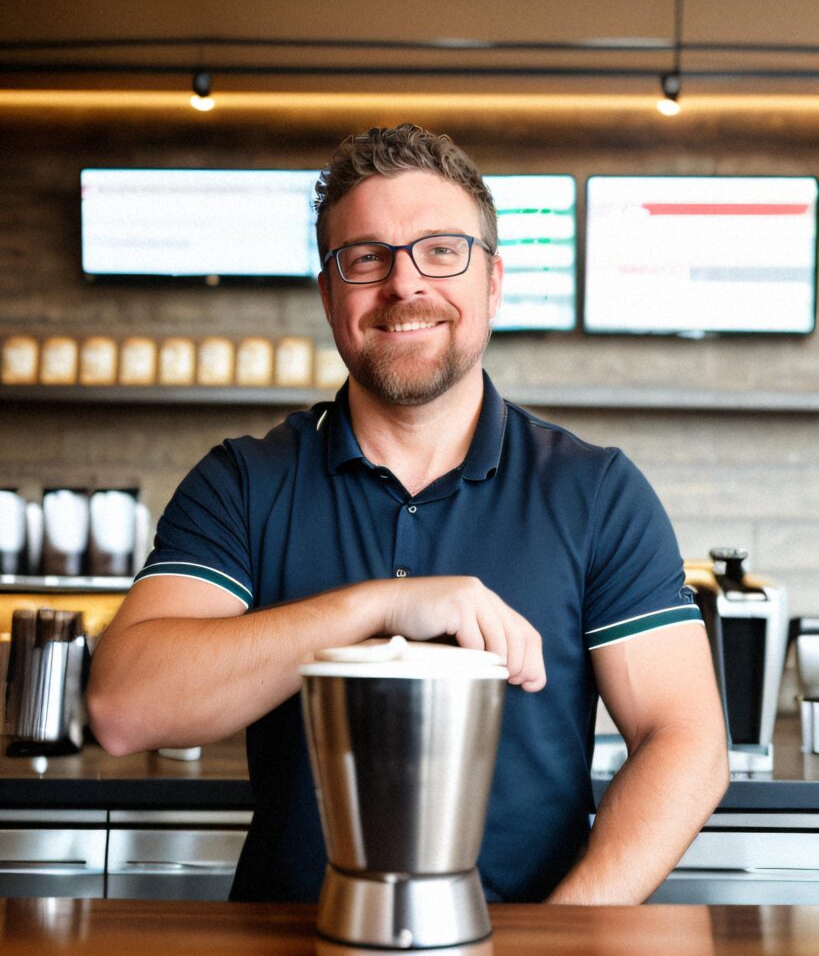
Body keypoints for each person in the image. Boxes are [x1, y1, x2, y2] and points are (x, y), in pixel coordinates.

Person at [87, 123, 728, 905]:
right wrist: (378, 606)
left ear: (492, 281)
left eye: (441, 250)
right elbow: (124, 707)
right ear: (329, 295)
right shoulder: (244, 482)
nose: (404, 284)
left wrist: (567, 936)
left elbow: (686, 743)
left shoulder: (594, 493)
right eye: (367, 258)